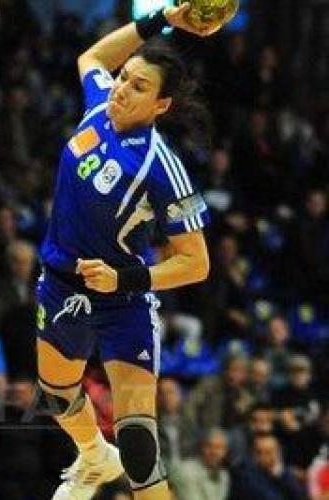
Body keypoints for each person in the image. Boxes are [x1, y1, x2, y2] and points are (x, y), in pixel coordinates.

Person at [35, 4, 217, 499]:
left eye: (139, 87)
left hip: (123, 299)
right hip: (61, 283)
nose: (121, 88)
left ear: (161, 105)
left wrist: (124, 280)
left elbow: (197, 262)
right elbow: (92, 57)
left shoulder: (162, 167)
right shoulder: (99, 106)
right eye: (124, 78)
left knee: (138, 443)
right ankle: (94, 458)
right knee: (57, 397)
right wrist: (166, 19)